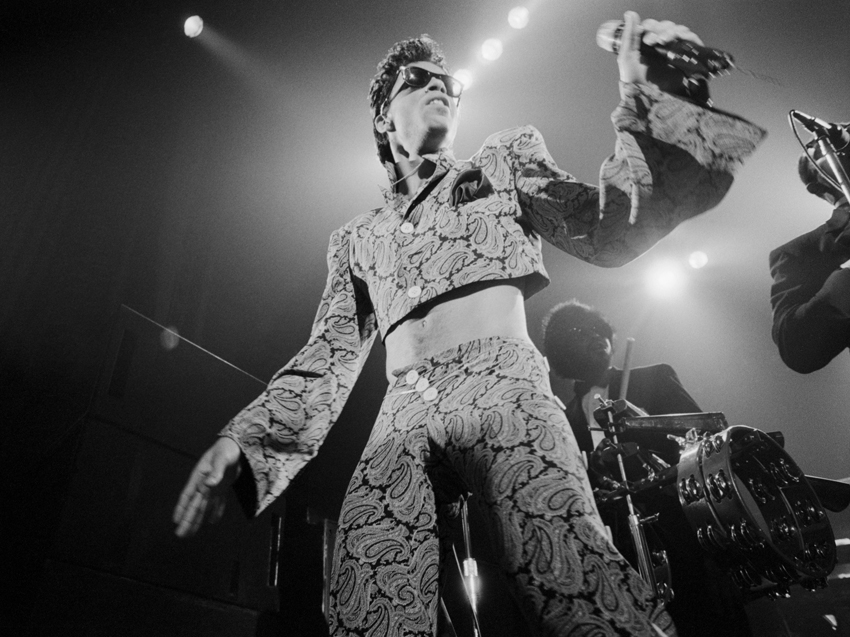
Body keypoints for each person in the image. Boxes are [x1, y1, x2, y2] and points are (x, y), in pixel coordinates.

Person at [173, 12, 765, 636]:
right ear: (383, 119)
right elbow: (327, 356)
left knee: (568, 575)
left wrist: (653, 92)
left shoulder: (504, 158)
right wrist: (240, 442)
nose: (440, 86)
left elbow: (609, 226)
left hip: (502, 385)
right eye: (417, 78)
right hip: (402, 413)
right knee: (368, 585)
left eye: (449, 83)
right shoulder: (356, 238)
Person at [542, 299, 752, 637]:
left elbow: (710, 440)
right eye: (580, 331)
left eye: (597, 327)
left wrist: (644, 422)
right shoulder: (565, 419)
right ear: (561, 351)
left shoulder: (653, 378)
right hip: (626, 549)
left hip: (688, 531)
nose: (595, 335)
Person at [770, 135, 850, 373]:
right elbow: (795, 349)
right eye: (820, 147)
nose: (843, 141)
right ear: (819, 186)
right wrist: (839, 288)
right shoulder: (801, 253)